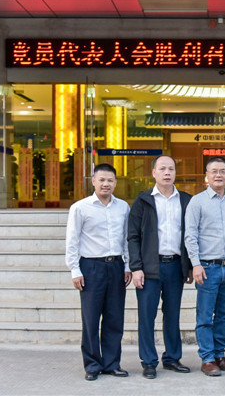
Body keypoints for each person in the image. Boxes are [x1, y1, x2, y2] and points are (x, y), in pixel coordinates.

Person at [127, 155, 192, 379]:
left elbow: (192, 235)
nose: (167, 173)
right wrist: (136, 267)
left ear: (175, 172)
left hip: (175, 266)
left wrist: (189, 265)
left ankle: (172, 358)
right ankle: (148, 361)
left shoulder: (186, 200)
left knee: (172, 315)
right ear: (154, 172)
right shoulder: (143, 201)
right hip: (149, 267)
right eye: (162, 169)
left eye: (171, 169)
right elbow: (133, 236)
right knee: (147, 316)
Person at [65, 163, 132, 381]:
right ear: (93, 181)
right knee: (91, 319)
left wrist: (127, 266)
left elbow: (126, 239)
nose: (106, 184)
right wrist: (75, 270)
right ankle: (92, 365)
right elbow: (72, 241)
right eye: (101, 180)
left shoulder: (123, 207)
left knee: (114, 318)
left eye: (110, 180)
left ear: (115, 183)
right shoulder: (80, 208)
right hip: (91, 267)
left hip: (116, 266)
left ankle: (112, 363)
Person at [184, 156, 225, 377]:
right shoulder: (197, 202)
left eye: (223, 171)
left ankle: (220, 354)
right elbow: (190, 236)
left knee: (223, 315)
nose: (218, 175)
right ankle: (208, 358)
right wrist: (195, 264)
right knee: (205, 316)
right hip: (207, 268)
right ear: (207, 175)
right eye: (214, 171)